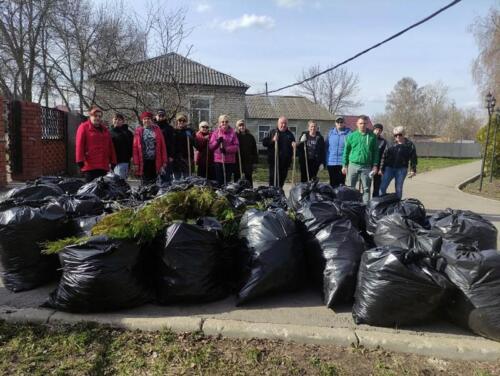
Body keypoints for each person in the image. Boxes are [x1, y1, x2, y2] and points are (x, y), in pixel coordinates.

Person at [342, 115, 379, 203]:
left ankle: (365, 208)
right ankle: (350, 206)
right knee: (350, 188)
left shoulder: (372, 136)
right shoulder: (351, 136)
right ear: (357, 124)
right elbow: (346, 151)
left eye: (364, 123)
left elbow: (376, 152)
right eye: (360, 123)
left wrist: (375, 165)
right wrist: (344, 165)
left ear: (367, 124)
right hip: (353, 165)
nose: (362, 125)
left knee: (366, 189)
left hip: (366, 167)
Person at [75, 106, 117, 182]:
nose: (98, 118)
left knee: (102, 190)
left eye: (99, 116)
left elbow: (110, 146)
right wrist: (80, 160)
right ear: (90, 116)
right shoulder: (83, 127)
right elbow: (79, 145)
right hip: (90, 166)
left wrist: (113, 160)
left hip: (103, 166)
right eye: (95, 116)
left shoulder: (105, 130)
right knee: (91, 191)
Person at [379, 126, 417, 198]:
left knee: (398, 188)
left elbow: (413, 158)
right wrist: (381, 168)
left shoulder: (409, 145)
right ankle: (381, 204)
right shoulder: (390, 143)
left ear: (403, 134)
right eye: (395, 135)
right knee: (382, 187)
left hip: (401, 169)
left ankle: (398, 206)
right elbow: (384, 156)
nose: (397, 137)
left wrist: (413, 170)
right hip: (389, 168)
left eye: (400, 134)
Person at [132, 111, 168, 185]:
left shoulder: (157, 130)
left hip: (155, 160)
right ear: (142, 120)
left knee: (154, 182)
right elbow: (135, 148)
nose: (147, 120)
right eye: (145, 119)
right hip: (143, 160)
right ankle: (145, 196)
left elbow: (162, 146)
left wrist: (164, 161)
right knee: (144, 182)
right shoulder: (138, 131)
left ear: (152, 120)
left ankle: (153, 196)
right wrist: (136, 163)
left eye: (148, 119)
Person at [262, 116, 296, 188]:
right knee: (273, 180)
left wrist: (294, 145)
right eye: (282, 123)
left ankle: (279, 195)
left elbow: (293, 144)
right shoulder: (272, 132)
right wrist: (272, 140)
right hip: (274, 162)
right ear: (278, 123)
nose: (283, 125)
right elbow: (264, 142)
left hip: (285, 163)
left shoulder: (290, 134)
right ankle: (271, 195)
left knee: (281, 181)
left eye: (285, 123)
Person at [209, 114, 239, 185]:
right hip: (218, 160)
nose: (224, 123)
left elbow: (236, 146)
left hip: (230, 161)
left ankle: (226, 194)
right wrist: (217, 141)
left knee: (227, 181)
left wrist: (226, 149)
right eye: (222, 122)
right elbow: (211, 147)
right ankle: (219, 194)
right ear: (220, 123)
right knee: (219, 181)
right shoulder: (216, 133)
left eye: (226, 121)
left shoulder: (232, 133)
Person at [325, 116, 352, 188]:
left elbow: (351, 148)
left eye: (341, 122)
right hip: (331, 162)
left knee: (341, 183)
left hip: (342, 162)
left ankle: (340, 198)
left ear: (344, 123)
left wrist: (348, 162)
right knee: (332, 182)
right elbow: (326, 147)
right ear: (335, 123)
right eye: (338, 122)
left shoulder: (349, 134)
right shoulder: (330, 133)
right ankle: (333, 198)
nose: (340, 123)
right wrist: (325, 161)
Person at [234, 119, 258, 186]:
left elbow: (254, 150)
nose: (241, 127)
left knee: (248, 178)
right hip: (238, 161)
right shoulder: (235, 136)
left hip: (248, 161)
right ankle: (237, 193)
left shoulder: (250, 137)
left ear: (245, 126)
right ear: (237, 127)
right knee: (237, 179)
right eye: (239, 125)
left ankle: (249, 192)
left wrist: (255, 162)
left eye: (243, 125)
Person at [110, 113, 133, 180]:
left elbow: (131, 147)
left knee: (120, 182)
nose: (117, 121)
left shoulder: (128, 133)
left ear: (123, 121)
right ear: (112, 120)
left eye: (119, 120)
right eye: (115, 119)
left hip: (123, 162)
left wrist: (131, 158)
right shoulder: (109, 132)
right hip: (111, 163)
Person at [171, 113, 195, 179]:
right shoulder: (174, 131)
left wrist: (191, 138)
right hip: (176, 159)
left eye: (183, 121)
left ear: (186, 122)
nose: (181, 122)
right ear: (177, 121)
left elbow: (195, 144)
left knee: (187, 179)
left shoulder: (190, 131)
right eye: (180, 120)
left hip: (187, 158)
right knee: (177, 179)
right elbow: (171, 145)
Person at [155, 109, 174, 183]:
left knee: (166, 176)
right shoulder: (153, 127)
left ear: (165, 117)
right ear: (156, 116)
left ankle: (166, 192)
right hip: (155, 156)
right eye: (159, 115)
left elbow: (172, 143)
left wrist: (171, 156)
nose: (161, 117)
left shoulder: (169, 128)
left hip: (166, 156)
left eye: (162, 116)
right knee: (156, 177)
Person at [372, 123, 387, 197]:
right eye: (376, 130)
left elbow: (383, 156)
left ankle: (374, 202)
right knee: (366, 186)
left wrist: (381, 168)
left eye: (379, 130)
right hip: (368, 165)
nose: (377, 131)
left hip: (378, 166)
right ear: (373, 130)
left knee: (377, 186)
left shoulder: (383, 141)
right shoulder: (368, 138)